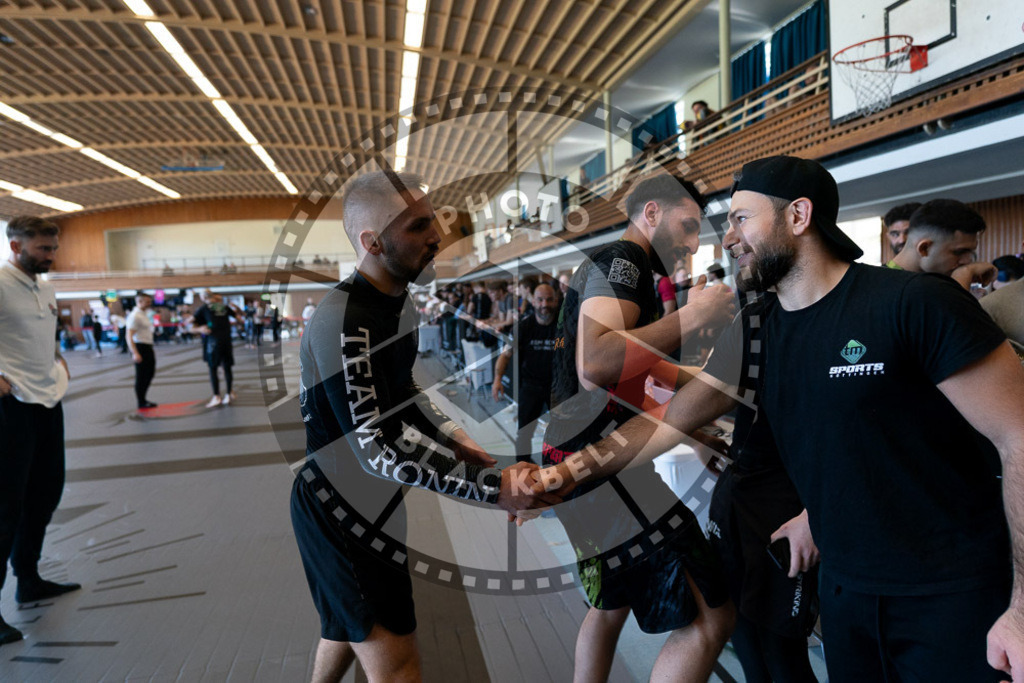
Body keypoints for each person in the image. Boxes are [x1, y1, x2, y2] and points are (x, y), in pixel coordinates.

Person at [538, 156, 1024, 682]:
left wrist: (1021, 610)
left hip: (950, 595)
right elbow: (669, 420)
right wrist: (561, 475)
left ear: (798, 216)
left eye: (741, 219)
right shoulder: (755, 329)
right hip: (846, 595)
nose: (726, 240)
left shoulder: (916, 303)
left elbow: (1018, 435)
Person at [289, 171, 557, 683]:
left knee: (347, 627)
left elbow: (402, 391)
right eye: (417, 226)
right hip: (341, 510)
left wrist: (456, 439)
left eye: (432, 219)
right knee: (398, 665)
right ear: (373, 242)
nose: (436, 234)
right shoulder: (347, 319)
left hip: (376, 502)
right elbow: (376, 448)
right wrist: (491, 488)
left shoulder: (398, 302)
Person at [542, 174, 737, 682]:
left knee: (611, 604)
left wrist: (697, 420)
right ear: (651, 213)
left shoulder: (625, 271)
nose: (694, 243)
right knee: (712, 611)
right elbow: (599, 363)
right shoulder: (624, 262)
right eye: (687, 226)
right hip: (606, 464)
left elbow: (641, 370)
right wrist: (694, 317)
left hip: (576, 453)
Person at [0, 216, 80, 647]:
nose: (51, 256)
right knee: (5, 505)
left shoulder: (44, 287)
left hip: (48, 402)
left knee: (47, 490)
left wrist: (56, 358)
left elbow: (41, 334)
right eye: (43, 249)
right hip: (10, 408)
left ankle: (27, 578)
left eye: (53, 248)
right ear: (15, 246)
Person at [492, 283, 559, 463]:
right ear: (533, 301)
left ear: (556, 300)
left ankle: (560, 466)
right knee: (524, 432)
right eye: (540, 299)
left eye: (549, 299)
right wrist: (497, 379)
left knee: (563, 431)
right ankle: (523, 465)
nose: (544, 304)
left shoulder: (564, 326)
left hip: (557, 387)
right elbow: (505, 355)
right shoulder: (523, 327)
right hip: (530, 386)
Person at [887, 198, 997, 290]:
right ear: (924, 248)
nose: (967, 261)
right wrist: (963, 277)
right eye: (958, 252)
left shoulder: (931, 279)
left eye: (969, 252)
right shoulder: (888, 286)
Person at [191, 290, 240, 407]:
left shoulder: (204, 309)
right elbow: (239, 319)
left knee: (213, 368)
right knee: (226, 367)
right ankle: (228, 393)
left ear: (203, 297)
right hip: (226, 341)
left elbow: (190, 323)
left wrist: (199, 329)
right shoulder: (224, 307)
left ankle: (217, 396)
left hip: (212, 343)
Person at [126, 292, 158, 409]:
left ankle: (143, 399)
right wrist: (135, 353)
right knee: (141, 376)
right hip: (140, 347)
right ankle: (141, 401)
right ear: (139, 302)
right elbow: (129, 335)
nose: (149, 304)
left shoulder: (144, 314)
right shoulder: (135, 316)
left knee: (150, 373)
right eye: (147, 302)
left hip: (148, 346)